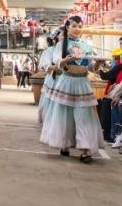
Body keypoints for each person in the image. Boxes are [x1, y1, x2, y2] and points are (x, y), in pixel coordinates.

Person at [39, 16, 104, 163]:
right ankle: (65, 144)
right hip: (66, 82)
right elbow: (58, 64)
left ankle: (85, 149)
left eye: (80, 26)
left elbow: (90, 67)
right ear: (67, 27)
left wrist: (98, 63)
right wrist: (67, 59)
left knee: (84, 117)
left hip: (83, 83)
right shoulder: (61, 45)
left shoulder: (87, 46)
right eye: (74, 26)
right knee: (64, 116)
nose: (77, 29)